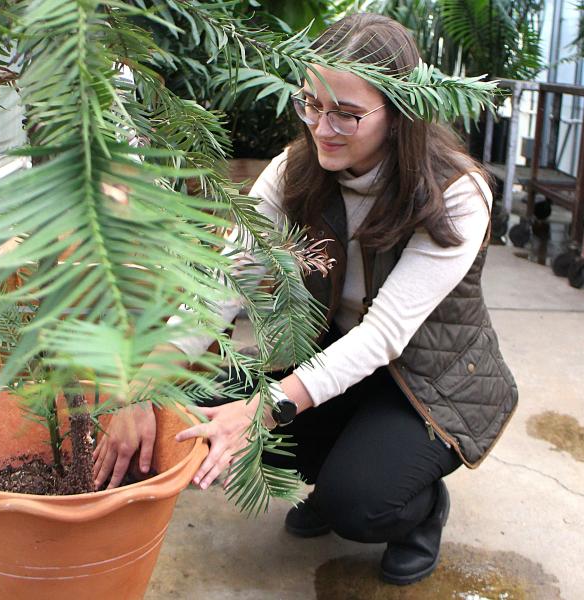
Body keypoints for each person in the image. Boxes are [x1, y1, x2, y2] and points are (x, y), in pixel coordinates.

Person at [93, 13, 518, 585]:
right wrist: (143, 388)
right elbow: (224, 281)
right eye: (311, 105)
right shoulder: (293, 172)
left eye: (347, 113)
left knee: (357, 503)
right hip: (334, 359)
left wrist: (262, 410)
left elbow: (383, 336)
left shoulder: (456, 193)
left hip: (426, 384)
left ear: (400, 114)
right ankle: (346, 463)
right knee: (194, 413)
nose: (323, 127)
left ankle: (416, 509)